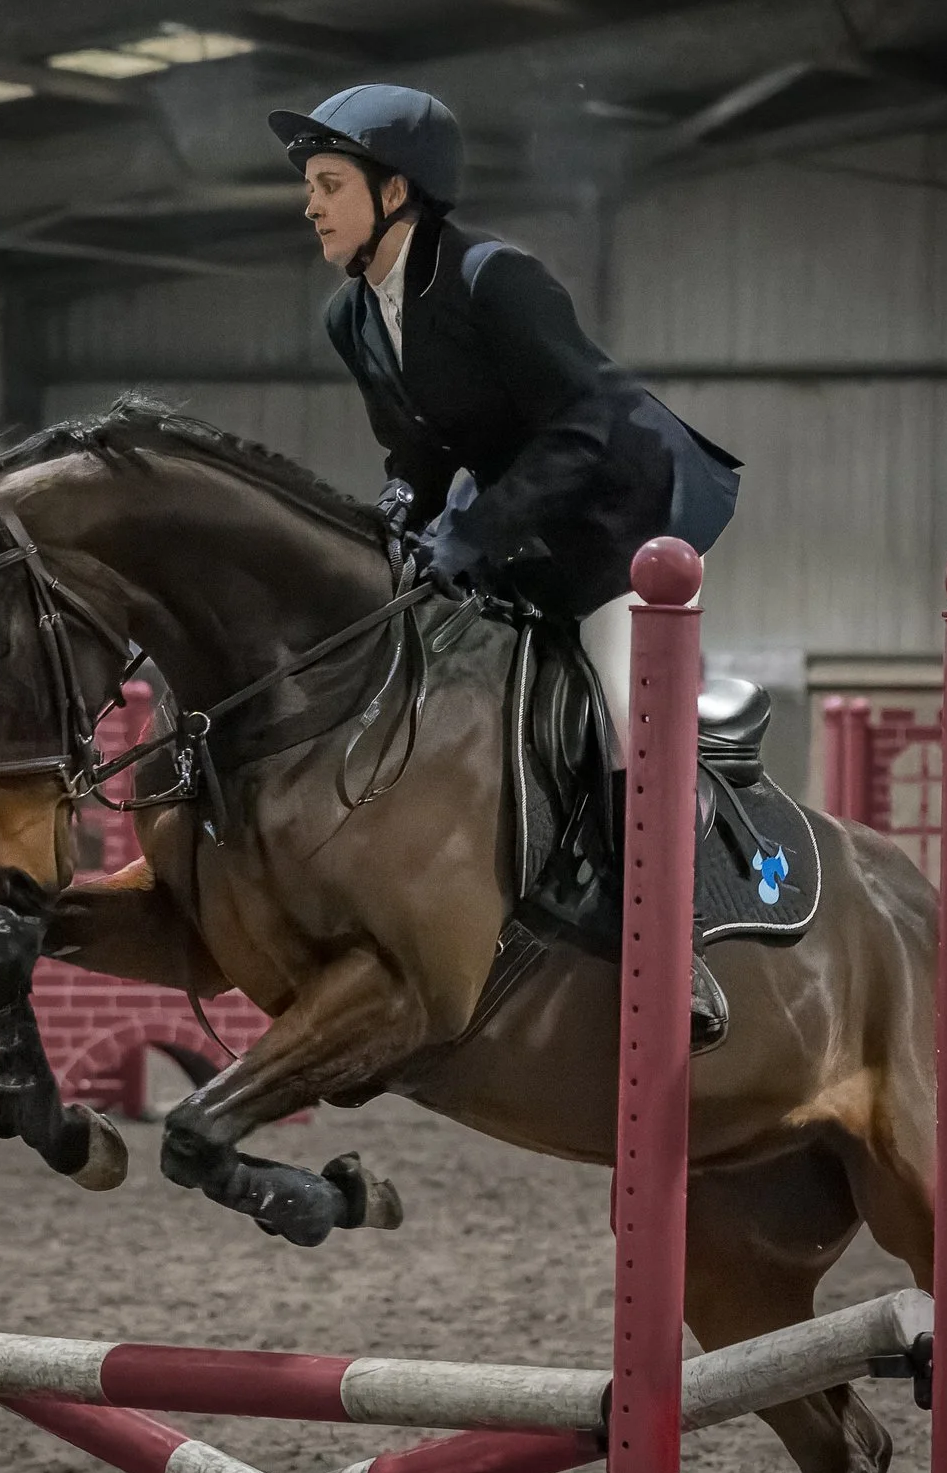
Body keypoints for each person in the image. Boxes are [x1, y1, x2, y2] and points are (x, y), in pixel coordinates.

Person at [272, 83, 746, 1041]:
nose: (311, 204)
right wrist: (402, 527)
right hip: (511, 523)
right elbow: (418, 453)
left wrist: (472, 532)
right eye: (311, 186)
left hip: (625, 526)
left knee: (625, 716)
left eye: (330, 183)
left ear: (394, 191)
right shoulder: (351, 317)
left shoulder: (498, 278)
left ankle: (676, 950)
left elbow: (584, 428)